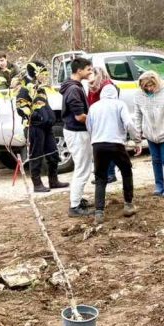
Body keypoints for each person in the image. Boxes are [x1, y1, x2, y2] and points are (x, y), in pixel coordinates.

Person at [87, 84, 141, 224]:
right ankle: (128, 204)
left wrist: (95, 139)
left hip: (98, 145)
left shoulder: (93, 107)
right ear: (116, 93)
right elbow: (128, 123)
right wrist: (137, 140)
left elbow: (89, 127)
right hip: (116, 144)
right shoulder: (119, 104)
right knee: (126, 171)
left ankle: (99, 212)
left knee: (100, 178)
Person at [16, 61, 68, 194]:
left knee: (53, 154)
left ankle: (53, 180)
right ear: (35, 74)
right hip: (34, 128)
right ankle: (37, 183)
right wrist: (37, 118)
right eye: (43, 74)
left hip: (46, 127)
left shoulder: (40, 88)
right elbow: (21, 108)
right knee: (36, 155)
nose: (45, 77)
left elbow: (44, 105)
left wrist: (49, 118)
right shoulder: (26, 89)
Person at [134, 70, 164, 197]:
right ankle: (158, 185)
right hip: (150, 134)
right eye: (146, 86)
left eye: (152, 85)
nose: (150, 88)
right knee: (155, 159)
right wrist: (137, 135)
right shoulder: (138, 96)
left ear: (157, 83)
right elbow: (137, 116)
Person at [59, 57, 94, 217]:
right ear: (79, 71)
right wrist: (97, 119)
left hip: (75, 131)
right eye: (88, 69)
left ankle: (77, 199)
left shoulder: (73, 86)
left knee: (82, 167)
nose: (90, 72)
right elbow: (80, 116)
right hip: (77, 132)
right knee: (83, 168)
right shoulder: (74, 90)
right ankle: (74, 206)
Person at [88, 67, 119, 184]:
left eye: (91, 74)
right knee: (99, 148)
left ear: (98, 75)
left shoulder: (107, 86)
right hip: (97, 119)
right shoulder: (93, 86)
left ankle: (110, 174)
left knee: (107, 147)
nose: (89, 77)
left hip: (106, 119)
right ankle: (101, 174)